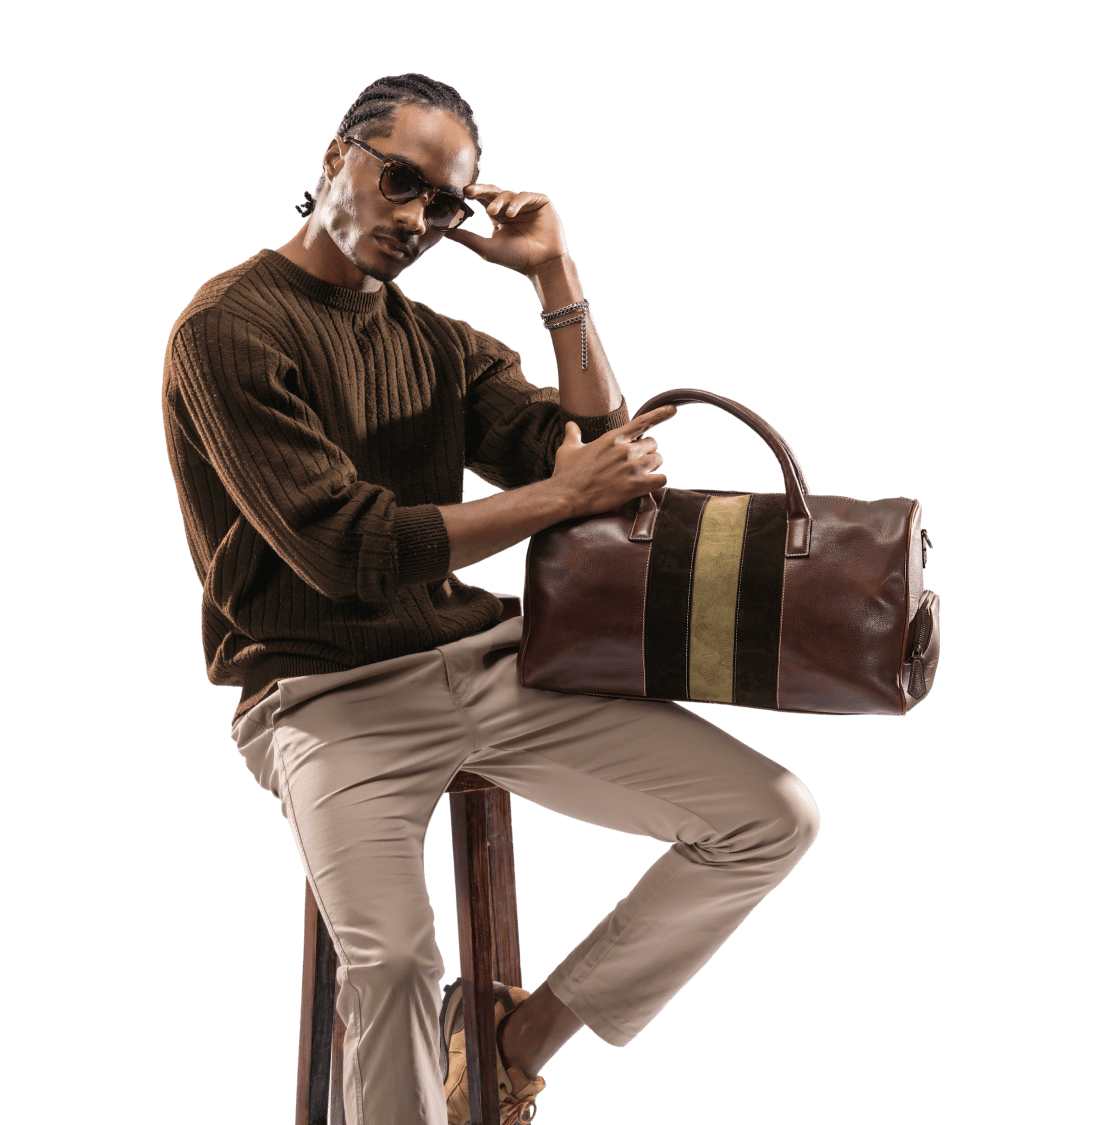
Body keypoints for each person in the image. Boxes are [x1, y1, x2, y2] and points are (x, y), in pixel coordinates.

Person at [161, 72, 820, 1125]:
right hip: (321, 696)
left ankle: (516, 1040)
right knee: (387, 970)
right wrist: (564, 491)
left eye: (446, 202)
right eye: (402, 181)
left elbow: (601, 465)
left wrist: (555, 275)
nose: (420, 217)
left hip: (481, 660)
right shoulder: (229, 329)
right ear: (335, 161)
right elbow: (347, 549)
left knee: (770, 818)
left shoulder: (434, 343)